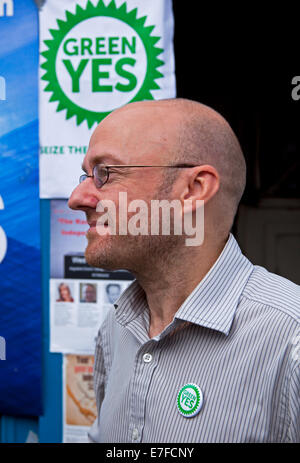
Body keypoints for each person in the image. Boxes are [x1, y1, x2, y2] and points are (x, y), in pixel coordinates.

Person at [68, 98, 299, 443]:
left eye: (105, 173)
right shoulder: (117, 327)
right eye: (85, 175)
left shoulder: (289, 340)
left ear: (194, 189)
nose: (76, 197)